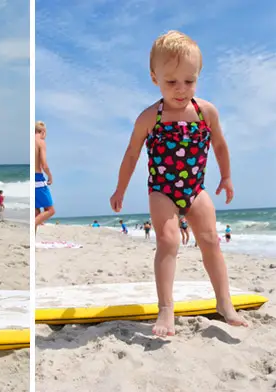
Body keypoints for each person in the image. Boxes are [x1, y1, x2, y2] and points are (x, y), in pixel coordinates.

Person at [109, 30, 247, 336]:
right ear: (154, 77)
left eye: (189, 81)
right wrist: (120, 189)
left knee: (210, 240)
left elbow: (221, 146)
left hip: (196, 188)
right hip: (162, 190)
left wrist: (226, 176)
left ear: (198, 76)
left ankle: (225, 303)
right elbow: (131, 154)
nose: (181, 89)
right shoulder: (150, 117)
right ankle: (166, 310)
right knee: (169, 241)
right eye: (171, 82)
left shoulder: (205, 112)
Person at [35, 121, 55, 233]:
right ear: (42, 132)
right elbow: (44, 164)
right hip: (37, 178)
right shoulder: (40, 142)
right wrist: (50, 176)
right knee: (51, 210)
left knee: (36, 213)